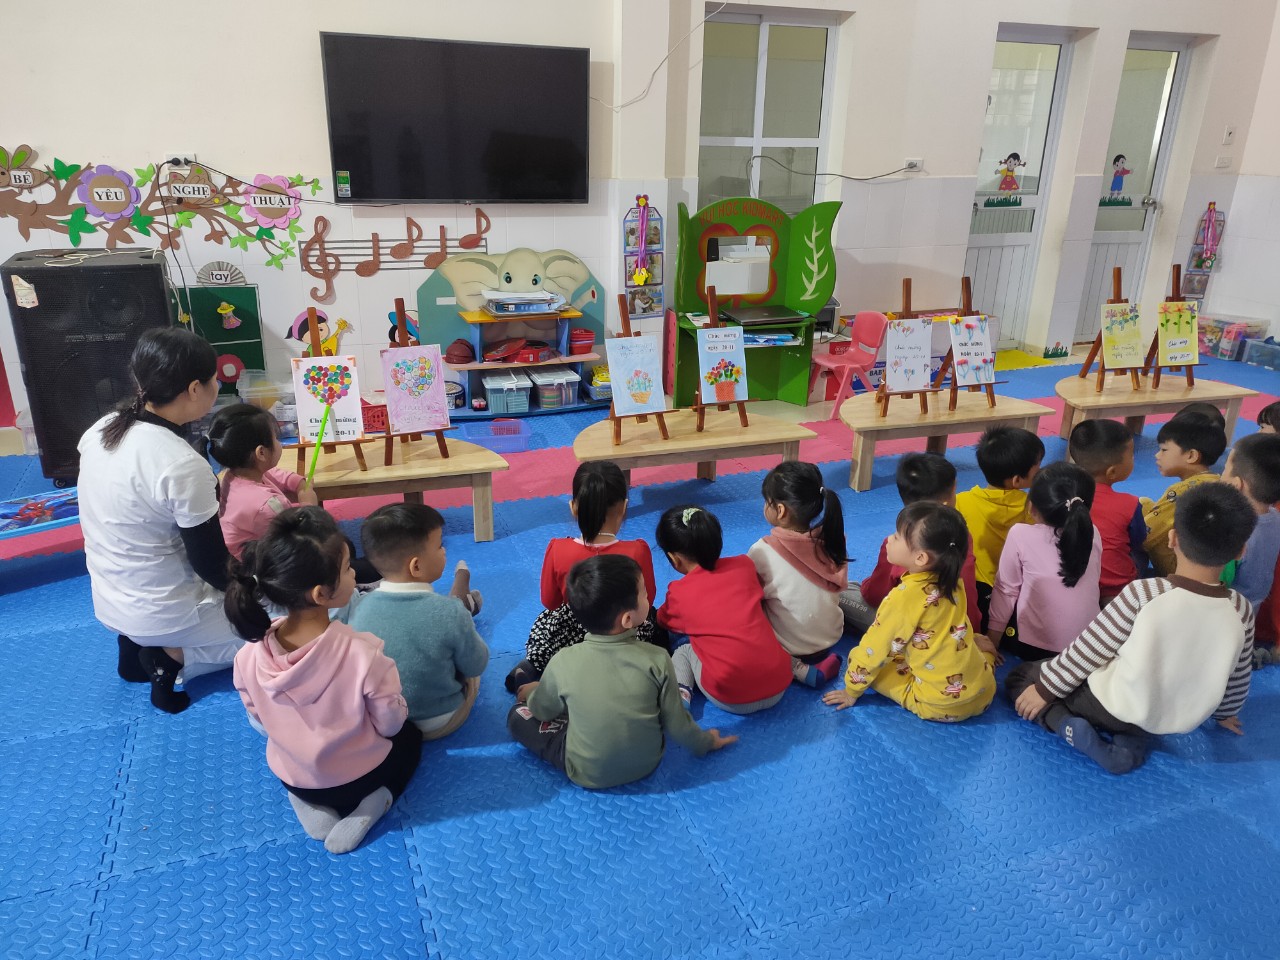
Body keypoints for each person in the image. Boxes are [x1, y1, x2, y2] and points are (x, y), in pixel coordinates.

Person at [1007, 483, 1257, 774]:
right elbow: (1238, 675)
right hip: (1171, 720)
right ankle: (1128, 745)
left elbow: (1089, 649)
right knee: (1138, 713)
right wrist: (1226, 714)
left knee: (1022, 676)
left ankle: (1064, 723)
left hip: (1113, 704)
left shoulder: (1145, 593)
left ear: (1172, 538)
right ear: (1240, 551)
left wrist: (1045, 689)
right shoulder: (1241, 610)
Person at [228, 506, 420, 853]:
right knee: (412, 737)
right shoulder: (363, 653)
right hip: (362, 777)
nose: (354, 573)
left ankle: (306, 801)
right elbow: (390, 724)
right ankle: (376, 802)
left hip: (295, 776)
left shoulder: (247, 656)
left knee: (284, 751)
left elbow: (258, 719)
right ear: (320, 594)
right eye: (347, 568)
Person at [77, 327, 243, 714]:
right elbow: (213, 567)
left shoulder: (100, 429)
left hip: (109, 602)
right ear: (195, 389)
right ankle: (170, 658)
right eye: (215, 380)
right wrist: (258, 591)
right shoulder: (180, 463)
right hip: (165, 613)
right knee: (294, 623)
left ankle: (133, 646)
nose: (217, 386)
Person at [507, 555, 737, 789]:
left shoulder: (562, 661)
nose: (649, 598)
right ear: (627, 619)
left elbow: (543, 711)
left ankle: (530, 691)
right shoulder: (658, 658)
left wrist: (533, 694)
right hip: (648, 762)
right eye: (644, 594)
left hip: (586, 771)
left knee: (517, 716)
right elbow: (678, 725)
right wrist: (706, 742)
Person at [823, 502, 996, 721]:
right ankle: (988, 657)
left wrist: (851, 690)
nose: (889, 538)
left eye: (896, 537)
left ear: (921, 558)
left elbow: (874, 649)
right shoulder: (954, 580)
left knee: (861, 660)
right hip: (984, 691)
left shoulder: (902, 598)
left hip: (938, 705)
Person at [505, 461, 659, 691]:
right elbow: (648, 598)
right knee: (653, 619)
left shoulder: (557, 549)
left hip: (572, 640)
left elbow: (550, 601)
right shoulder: (638, 551)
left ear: (573, 507)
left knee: (547, 621)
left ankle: (531, 666)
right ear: (624, 507)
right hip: (623, 635)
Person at [348, 503, 490, 740]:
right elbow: (476, 665)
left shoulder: (360, 609)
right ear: (416, 566)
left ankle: (462, 591)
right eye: (440, 546)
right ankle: (463, 592)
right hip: (439, 720)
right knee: (472, 659)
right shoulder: (449, 612)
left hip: (381, 722)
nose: (444, 551)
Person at [655, 506, 791, 714]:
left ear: (674, 559)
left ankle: (680, 697)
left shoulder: (679, 592)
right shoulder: (744, 565)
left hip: (732, 697)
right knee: (759, 635)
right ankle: (802, 670)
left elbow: (663, 620)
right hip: (779, 685)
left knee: (684, 650)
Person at [840, 453, 981, 636]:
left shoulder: (897, 545)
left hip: (909, 632)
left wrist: (867, 585)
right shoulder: (962, 536)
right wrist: (973, 635)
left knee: (841, 590)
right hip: (956, 632)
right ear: (951, 493)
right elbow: (968, 591)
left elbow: (874, 596)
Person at [987, 463, 1102, 661]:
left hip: (1035, 648)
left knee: (988, 596)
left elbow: (1006, 590)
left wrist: (992, 641)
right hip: (1088, 644)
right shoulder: (1093, 532)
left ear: (1031, 507)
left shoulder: (1020, 534)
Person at [747, 462, 846, 687]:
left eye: (767, 501)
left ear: (780, 510)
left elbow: (751, 600)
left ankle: (797, 669)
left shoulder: (762, 551)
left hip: (790, 647)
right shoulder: (833, 539)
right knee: (847, 590)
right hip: (831, 636)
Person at [956, 426, 1044, 627]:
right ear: (1017, 480)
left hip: (974, 591)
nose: (1041, 470)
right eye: (1037, 467)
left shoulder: (962, 501)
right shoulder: (1032, 506)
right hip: (1016, 590)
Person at [207, 403, 318, 560]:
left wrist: (299, 483)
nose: (279, 443)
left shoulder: (233, 475)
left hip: (243, 557)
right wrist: (309, 504)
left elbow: (275, 474)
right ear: (261, 453)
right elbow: (300, 537)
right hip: (260, 566)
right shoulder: (268, 506)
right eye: (276, 438)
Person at [1068, 419, 1145, 603]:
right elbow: (1138, 539)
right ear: (1112, 472)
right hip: (1116, 590)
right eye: (1132, 455)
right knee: (1141, 553)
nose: (1133, 460)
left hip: (1070, 583)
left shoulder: (1059, 497)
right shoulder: (1130, 503)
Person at [1141, 412, 1226, 576]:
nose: (1157, 455)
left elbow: (1145, 536)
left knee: (1138, 512)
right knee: (1145, 504)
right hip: (1212, 566)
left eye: (1164, 450)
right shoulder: (1216, 481)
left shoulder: (1182, 492)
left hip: (1179, 570)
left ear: (1191, 456)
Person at [1220, 434, 1280, 611]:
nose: (1220, 475)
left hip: (1227, 610)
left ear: (1236, 484)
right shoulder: (1275, 518)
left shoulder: (1235, 531)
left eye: (1224, 470)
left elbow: (1217, 579)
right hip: (1254, 607)